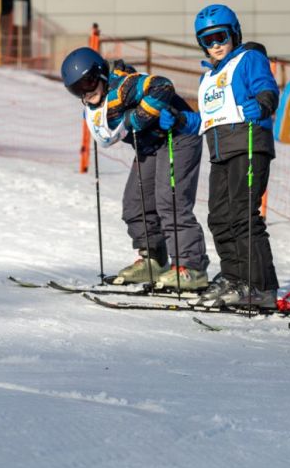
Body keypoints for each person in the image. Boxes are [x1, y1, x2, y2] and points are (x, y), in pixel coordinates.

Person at [61, 47, 210, 290]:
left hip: (178, 135)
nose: (86, 92)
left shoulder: (124, 86)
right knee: (135, 203)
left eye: (88, 82)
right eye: (77, 89)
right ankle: (153, 260)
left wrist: (141, 116)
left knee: (169, 202)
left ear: (100, 74)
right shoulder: (95, 104)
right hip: (151, 145)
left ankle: (191, 267)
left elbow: (162, 86)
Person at [166, 4, 280, 309]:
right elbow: (205, 120)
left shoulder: (249, 58)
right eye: (207, 40)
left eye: (220, 36)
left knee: (243, 216)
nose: (215, 45)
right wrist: (178, 121)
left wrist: (264, 103)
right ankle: (234, 276)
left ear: (234, 33)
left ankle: (260, 286)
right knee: (219, 218)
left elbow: (266, 88)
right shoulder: (209, 78)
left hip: (249, 143)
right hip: (220, 151)